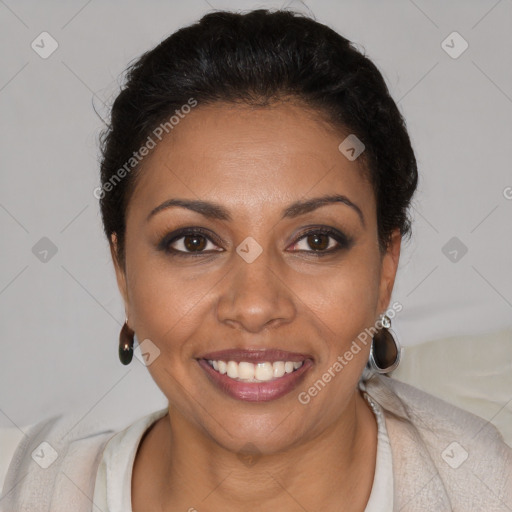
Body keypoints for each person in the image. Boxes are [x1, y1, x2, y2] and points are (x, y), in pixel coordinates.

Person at [1, 8, 511, 512]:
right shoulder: (23, 491)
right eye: (194, 242)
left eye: (315, 241)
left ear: (385, 269)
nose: (254, 306)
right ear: (122, 271)